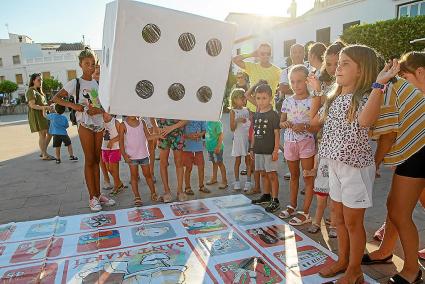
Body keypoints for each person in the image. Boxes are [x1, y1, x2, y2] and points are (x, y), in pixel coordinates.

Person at [311, 45, 397, 283]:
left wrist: (379, 84)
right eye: (338, 62)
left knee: (353, 222)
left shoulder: (369, 95)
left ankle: (355, 270)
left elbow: (365, 121)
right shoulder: (334, 95)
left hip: (355, 169)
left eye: (345, 63)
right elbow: (316, 122)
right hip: (335, 164)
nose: (338, 66)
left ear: (362, 71)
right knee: (337, 218)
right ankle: (343, 261)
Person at [363, 52, 425, 283]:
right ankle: (385, 250)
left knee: (399, 211)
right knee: (395, 206)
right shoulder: (390, 85)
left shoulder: (386, 86)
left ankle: (412, 270)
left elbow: (388, 136)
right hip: (417, 150)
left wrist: (374, 164)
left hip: (419, 151)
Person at [53, 47, 115, 212]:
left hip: (99, 124)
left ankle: (98, 194)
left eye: (93, 63)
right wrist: (73, 105)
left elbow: (106, 106)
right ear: (80, 64)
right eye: (87, 63)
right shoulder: (75, 83)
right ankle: (92, 197)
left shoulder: (98, 84)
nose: (90, 66)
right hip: (85, 124)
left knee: (97, 159)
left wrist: (99, 111)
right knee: (89, 159)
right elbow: (56, 98)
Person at [305, 41, 345, 237]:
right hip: (325, 143)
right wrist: (318, 92)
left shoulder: (352, 89)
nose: (333, 68)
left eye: (338, 63)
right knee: (323, 188)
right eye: (329, 64)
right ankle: (320, 220)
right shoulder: (325, 84)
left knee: (337, 192)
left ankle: (335, 223)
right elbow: (315, 120)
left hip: (343, 149)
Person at [278, 65, 316, 226]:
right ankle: (292, 205)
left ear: (307, 81)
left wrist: (305, 127)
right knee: (294, 176)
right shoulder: (287, 101)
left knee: (308, 177)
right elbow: (280, 123)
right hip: (289, 142)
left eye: (299, 81)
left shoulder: (313, 100)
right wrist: (285, 123)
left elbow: (316, 125)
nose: (296, 85)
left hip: (306, 142)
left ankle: (305, 212)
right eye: (292, 82)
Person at [250, 84, 281, 213]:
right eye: (258, 98)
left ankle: (275, 199)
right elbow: (254, 132)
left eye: (264, 98)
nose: (261, 101)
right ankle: (266, 195)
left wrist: (275, 150)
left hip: (269, 150)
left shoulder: (273, 115)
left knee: (272, 174)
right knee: (263, 173)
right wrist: (252, 148)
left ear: (270, 98)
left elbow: (277, 133)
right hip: (258, 150)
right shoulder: (256, 114)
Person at [119, 116, 162, 207]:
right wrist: (124, 156)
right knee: (134, 177)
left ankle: (153, 193)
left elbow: (149, 137)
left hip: (144, 155)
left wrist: (159, 135)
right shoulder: (123, 125)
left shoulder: (142, 122)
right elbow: (121, 142)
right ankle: (137, 196)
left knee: (148, 175)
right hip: (132, 157)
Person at [279, 43, 307, 181]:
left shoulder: (310, 69)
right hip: (290, 111)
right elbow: (283, 89)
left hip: (307, 110)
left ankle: (308, 173)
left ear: (304, 53)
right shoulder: (285, 71)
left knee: (308, 141)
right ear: (290, 54)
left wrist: (294, 88)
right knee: (292, 141)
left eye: (300, 51)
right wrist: (301, 88)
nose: (297, 54)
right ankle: (293, 171)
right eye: (294, 52)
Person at [155, 118, 188, 202]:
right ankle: (167, 191)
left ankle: (180, 191)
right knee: (163, 162)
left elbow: (186, 119)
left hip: (178, 133)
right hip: (163, 134)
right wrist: (156, 127)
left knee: (179, 162)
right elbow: (151, 115)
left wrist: (172, 127)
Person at [93, 63, 113, 190]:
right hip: (97, 122)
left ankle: (115, 177)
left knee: (113, 148)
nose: (99, 76)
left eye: (101, 73)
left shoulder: (107, 86)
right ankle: (106, 178)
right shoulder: (91, 89)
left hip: (110, 122)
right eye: (97, 73)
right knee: (101, 151)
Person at [26, 73, 54, 161]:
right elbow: (32, 105)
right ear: (33, 81)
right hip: (37, 115)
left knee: (50, 133)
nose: (40, 81)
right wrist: (45, 107)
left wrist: (49, 105)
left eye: (41, 80)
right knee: (42, 134)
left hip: (44, 114)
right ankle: (44, 154)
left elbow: (42, 103)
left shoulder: (39, 91)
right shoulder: (31, 90)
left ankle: (43, 151)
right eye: (38, 80)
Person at [229, 88, 252, 191]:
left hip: (247, 139)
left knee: (248, 160)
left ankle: (248, 181)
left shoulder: (247, 110)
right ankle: (237, 181)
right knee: (237, 161)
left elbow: (251, 123)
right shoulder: (233, 112)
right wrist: (237, 120)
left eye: (244, 98)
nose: (244, 100)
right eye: (241, 98)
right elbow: (232, 128)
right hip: (238, 139)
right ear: (234, 99)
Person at [102, 112, 127, 196]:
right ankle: (119, 183)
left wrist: (112, 141)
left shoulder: (115, 122)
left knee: (114, 169)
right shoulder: (101, 122)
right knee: (109, 169)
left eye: (105, 112)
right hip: (104, 148)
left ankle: (116, 186)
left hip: (115, 148)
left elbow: (122, 135)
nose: (103, 115)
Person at [182, 120, 210, 195]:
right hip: (187, 147)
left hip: (198, 147)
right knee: (188, 167)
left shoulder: (201, 116)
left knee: (201, 166)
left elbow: (204, 130)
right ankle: (187, 187)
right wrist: (188, 136)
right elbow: (180, 132)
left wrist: (200, 134)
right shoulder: (184, 116)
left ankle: (201, 186)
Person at [206, 120, 228, 190]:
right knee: (214, 163)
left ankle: (224, 181)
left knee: (220, 163)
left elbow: (221, 135)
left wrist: (218, 146)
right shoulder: (207, 122)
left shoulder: (217, 122)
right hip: (210, 147)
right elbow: (206, 133)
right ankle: (214, 178)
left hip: (217, 147)